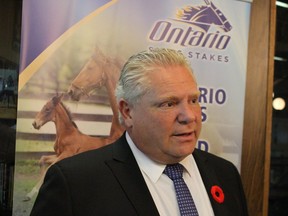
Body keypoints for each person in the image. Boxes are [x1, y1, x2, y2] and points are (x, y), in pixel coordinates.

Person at [30, 48, 248, 216]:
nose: (189, 116)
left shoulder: (225, 174)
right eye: (169, 104)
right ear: (128, 111)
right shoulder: (74, 182)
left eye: (193, 100)